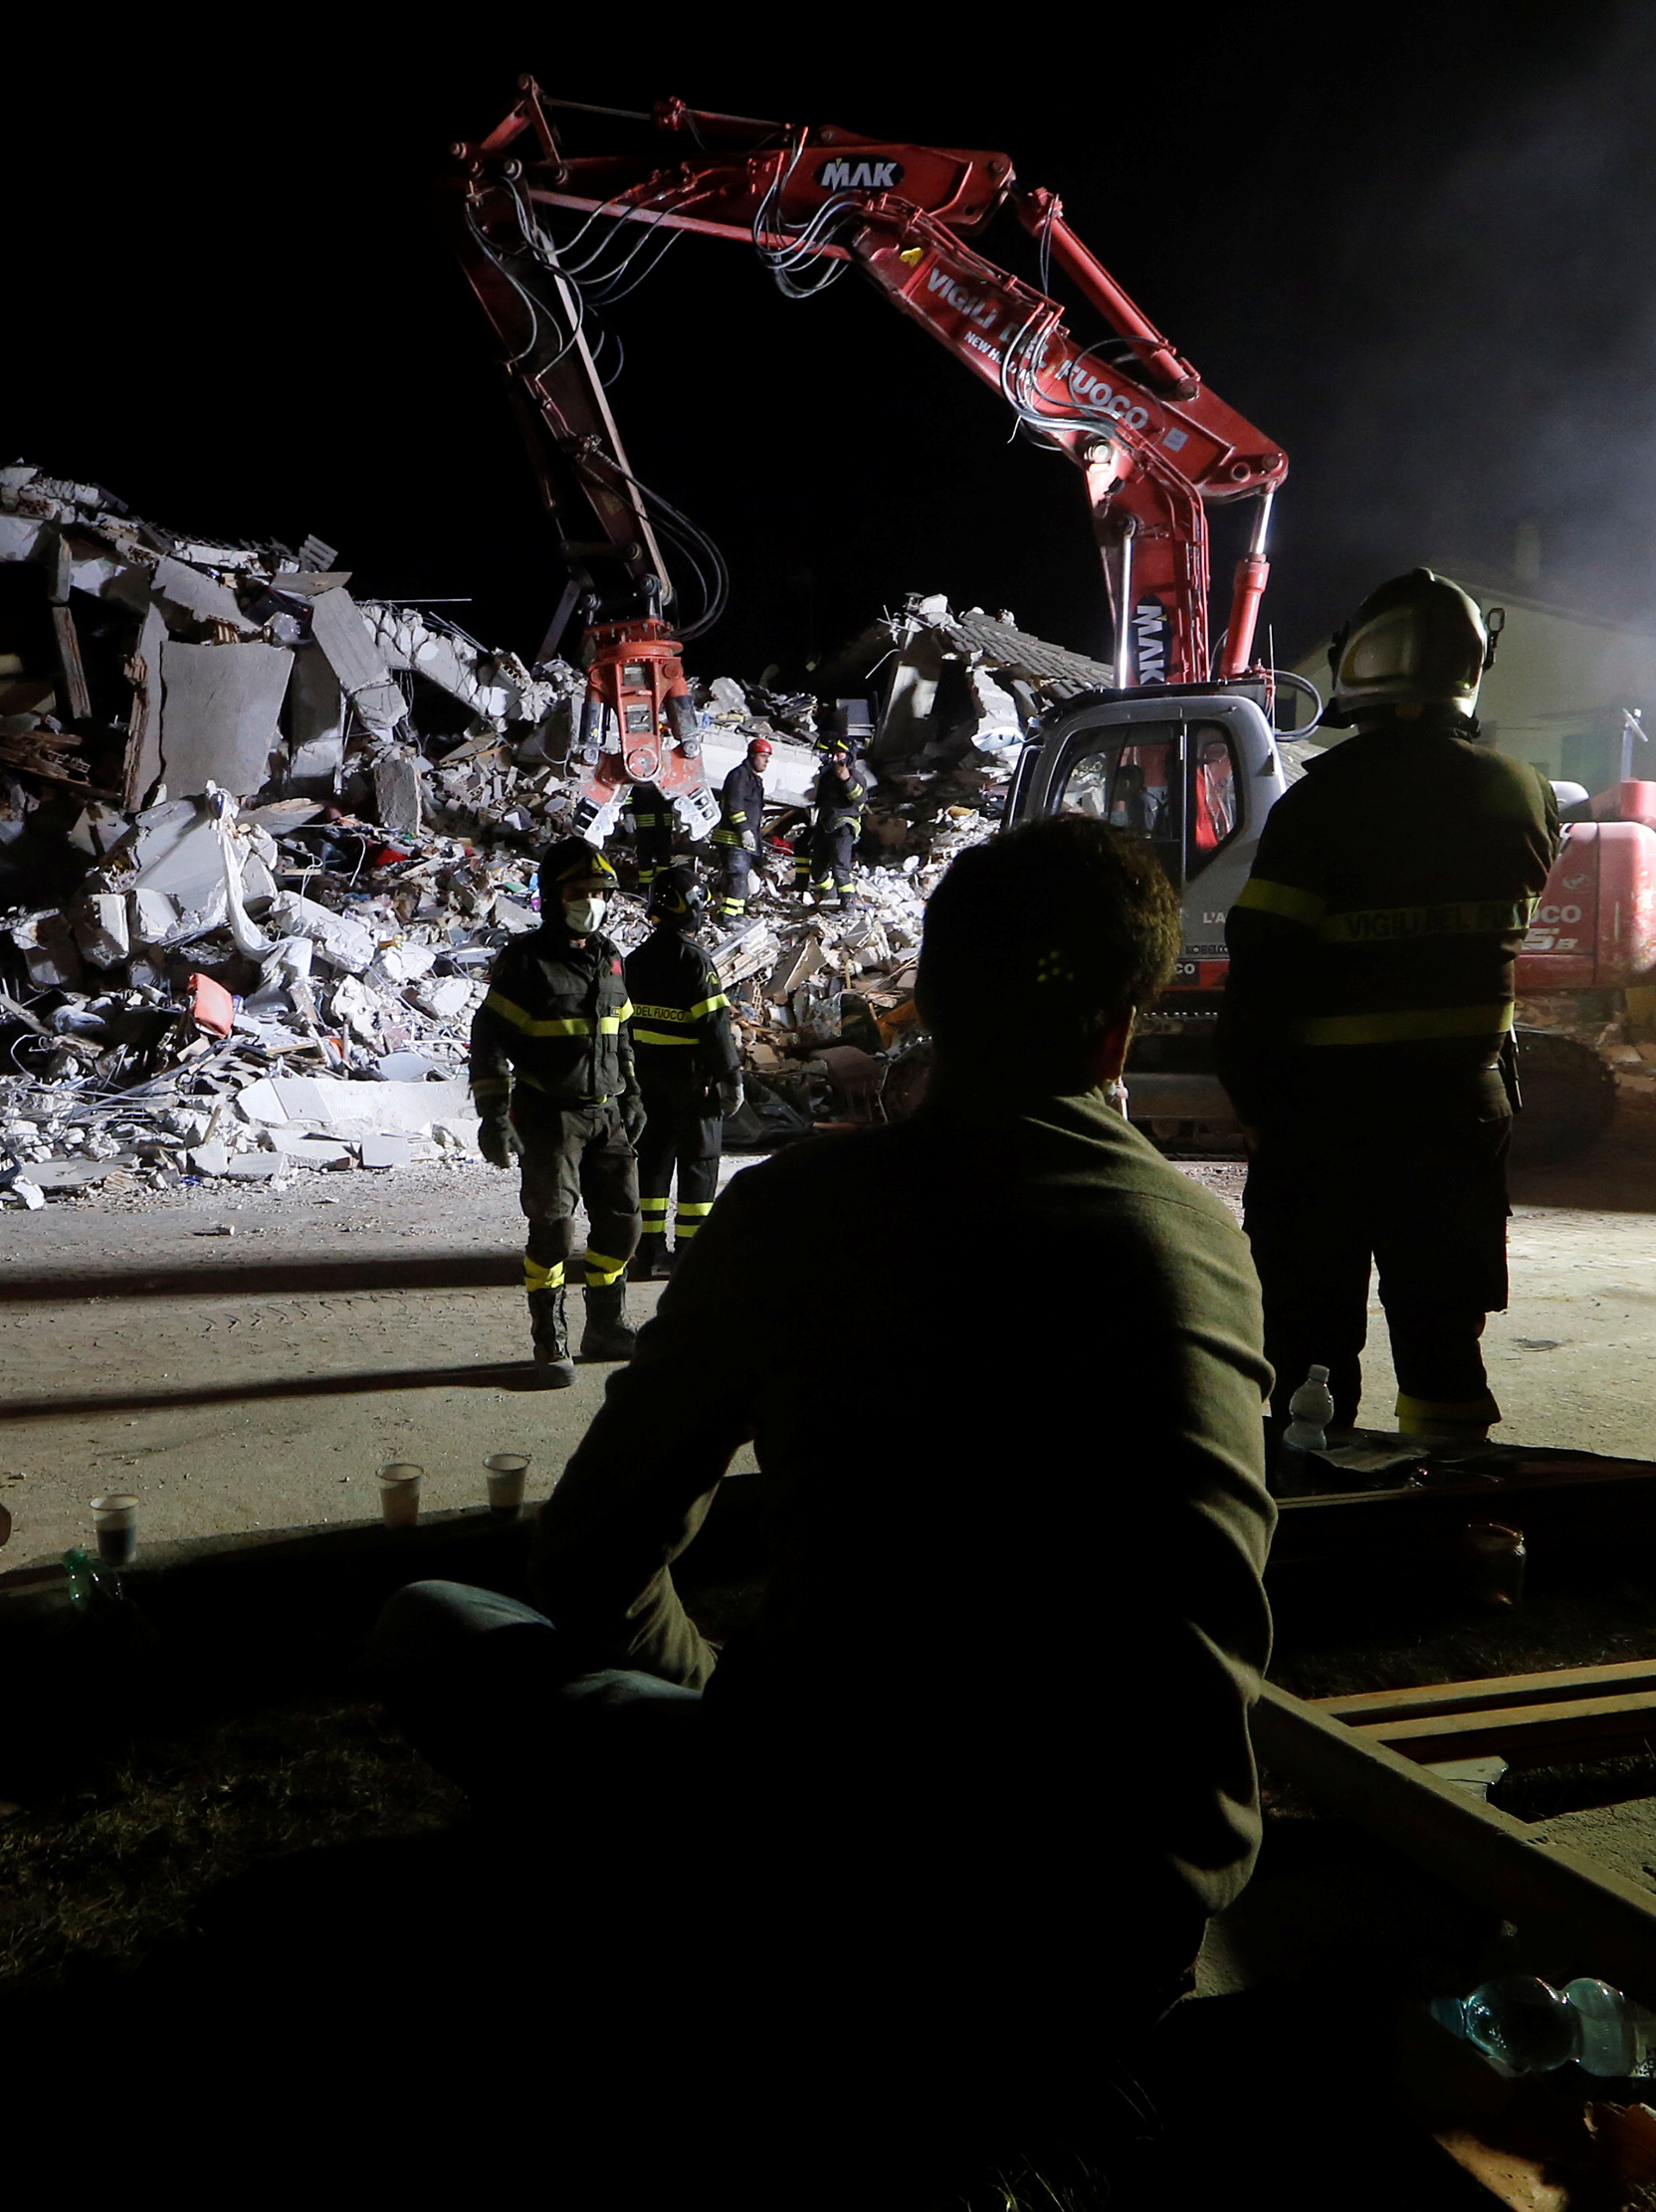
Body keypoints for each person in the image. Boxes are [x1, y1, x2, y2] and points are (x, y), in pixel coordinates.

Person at [376, 814, 1276, 2072]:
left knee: (431, 1627)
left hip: (843, 1887)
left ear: (924, 1009)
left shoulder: (798, 1212)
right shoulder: (1206, 1244)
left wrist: (729, 1698)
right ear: (1119, 1032)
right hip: (1132, 1918)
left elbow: (589, 1559)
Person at [1218, 568, 1558, 1462]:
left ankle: (1316, 1502)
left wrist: (1258, 1107)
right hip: (1462, 1111)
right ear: (1469, 665)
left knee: (1305, 1350)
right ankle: (1448, 1503)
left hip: (1326, 1124)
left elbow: (1261, 972)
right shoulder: (1522, 791)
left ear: (1359, 662)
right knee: (1444, 1342)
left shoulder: (1323, 800)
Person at [469, 836, 641, 1384]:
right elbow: (488, 1039)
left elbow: (621, 1033)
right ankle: (550, 1338)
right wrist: (495, 1116)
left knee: (623, 1226)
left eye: (599, 893)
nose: (592, 902)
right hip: (550, 1116)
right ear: (551, 897)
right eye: (579, 893)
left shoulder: (609, 958)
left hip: (607, 1115)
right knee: (553, 1229)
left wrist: (632, 1093)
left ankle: (605, 1326)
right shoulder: (526, 962)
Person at [622, 864, 741, 1278]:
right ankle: (691, 1252)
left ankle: (649, 1251)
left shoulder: (635, 960)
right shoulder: (695, 960)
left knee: (652, 1162)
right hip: (693, 1084)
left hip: (646, 1079)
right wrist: (731, 1076)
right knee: (699, 1164)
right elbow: (713, 1025)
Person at [796, 737, 877, 907]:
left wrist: (847, 781)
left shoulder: (856, 776)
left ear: (849, 755)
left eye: (838, 754)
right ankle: (829, 894)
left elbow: (860, 799)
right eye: (832, 754)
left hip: (844, 826)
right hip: (825, 825)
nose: (833, 758)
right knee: (817, 870)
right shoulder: (828, 777)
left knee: (840, 868)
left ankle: (848, 904)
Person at [711, 735, 772, 917]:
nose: (766, 762)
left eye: (768, 758)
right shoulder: (739, 776)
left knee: (741, 877)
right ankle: (728, 916)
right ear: (752, 755)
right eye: (763, 757)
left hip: (743, 839)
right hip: (733, 837)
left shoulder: (754, 779)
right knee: (736, 876)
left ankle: (737, 914)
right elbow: (734, 806)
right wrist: (744, 829)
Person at [613, 768, 677, 876]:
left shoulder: (667, 776)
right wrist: (628, 813)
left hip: (663, 823)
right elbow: (627, 796)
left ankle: (663, 880)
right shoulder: (637, 777)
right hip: (644, 824)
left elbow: (675, 795)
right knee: (645, 855)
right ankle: (646, 882)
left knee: (663, 855)